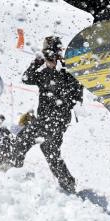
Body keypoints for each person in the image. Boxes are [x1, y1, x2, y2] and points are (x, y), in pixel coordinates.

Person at [9, 36, 83, 193]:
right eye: (46, 58)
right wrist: (36, 62)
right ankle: (68, 183)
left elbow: (77, 95)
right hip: (48, 120)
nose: (49, 61)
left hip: (55, 121)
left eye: (51, 57)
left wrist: (66, 67)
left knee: (22, 141)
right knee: (49, 151)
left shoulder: (67, 74)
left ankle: (12, 176)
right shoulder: (43, 73)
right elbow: (25, 78)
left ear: (58, 56)